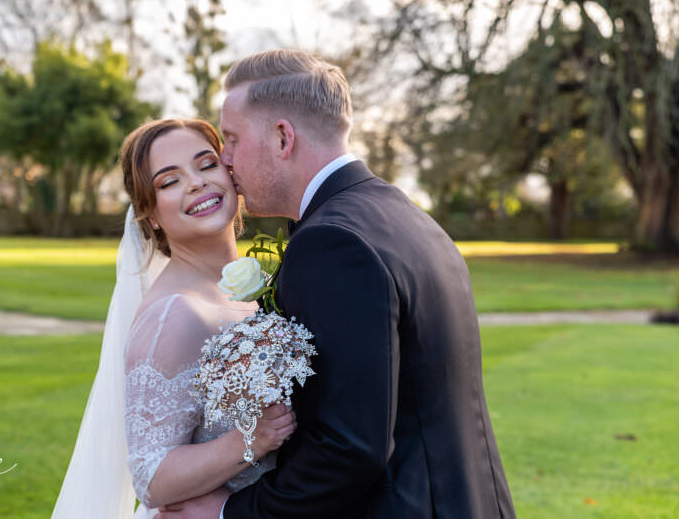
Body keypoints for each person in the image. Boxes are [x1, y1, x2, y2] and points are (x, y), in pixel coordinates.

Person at [164, 50, 515, 518]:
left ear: (283, 137)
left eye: (231, 139)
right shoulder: (407, 217)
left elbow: (348, 447)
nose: (225, 160)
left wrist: (231, 512)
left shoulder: (331, 243)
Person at [52, 118, 297, 519]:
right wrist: (253, 436)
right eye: (169, 182)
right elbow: (152, 478)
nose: (196, 183)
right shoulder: (174, 315)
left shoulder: (263, 289)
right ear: (150, 214)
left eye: (206, 164)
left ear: (231, 174)